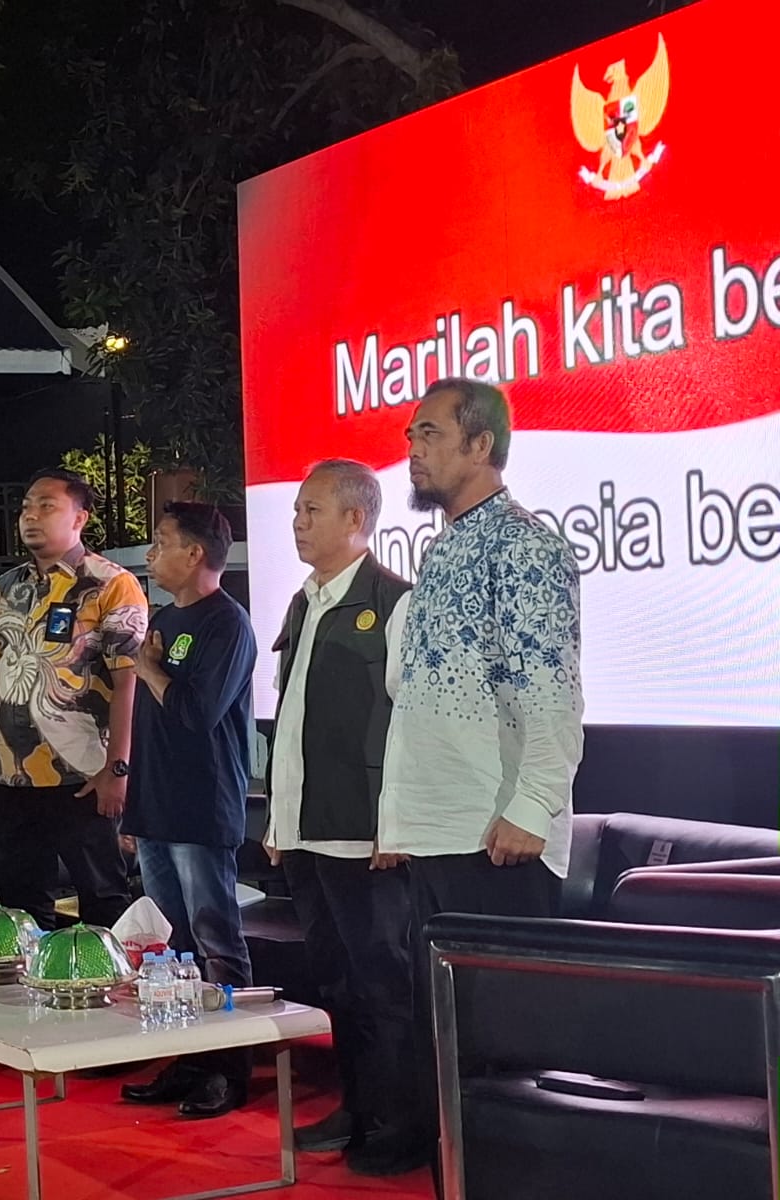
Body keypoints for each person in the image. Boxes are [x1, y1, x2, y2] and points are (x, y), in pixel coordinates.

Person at [373, 379, 584, 1176]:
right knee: (448, 1052)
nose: (412, 449)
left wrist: (533, 804)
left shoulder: (523, 545)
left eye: (428, 433)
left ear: (481, 444)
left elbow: (552, 688)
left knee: (503, 1058)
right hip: (443, 831)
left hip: (497, 836)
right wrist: (401, 820)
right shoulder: (443, 548)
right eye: (410, 434)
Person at [261, 460, 415, 1170]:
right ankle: (357, 1108)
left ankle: (401, 1123)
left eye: (312, 510)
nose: (297, 522)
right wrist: (278, 821)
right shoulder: (303, 603)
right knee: (336, 981)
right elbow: (292, 722)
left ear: (357, 519)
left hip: (366, 832)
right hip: (305, 829)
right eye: (296, 510)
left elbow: (408, 725)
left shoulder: (394, 602)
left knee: (384, 983)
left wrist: (397, 820)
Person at [0, 468, 147, 932]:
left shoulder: (110, 583)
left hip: (83, 774)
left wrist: (117, 768)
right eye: (26, 506)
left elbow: (129, 680)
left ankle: (108, 979)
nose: (31, 515)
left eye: (46, 506)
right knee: (20, 910)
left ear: (79, 518)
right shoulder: (5, 588)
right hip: (10, 775)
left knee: (103, 900)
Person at [120, 502, 258, 1119]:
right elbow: (150, 726)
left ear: (196, 553)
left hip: (202, 806)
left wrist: (150, 669)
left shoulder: (227, 623)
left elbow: (197, 714)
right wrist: (134, 808)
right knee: (169, 948)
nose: (151, 554)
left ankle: (229, 1067)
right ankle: (186, 1056)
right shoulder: (165, 616)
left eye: (162, 541)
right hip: (156, 804)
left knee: (215, 940)